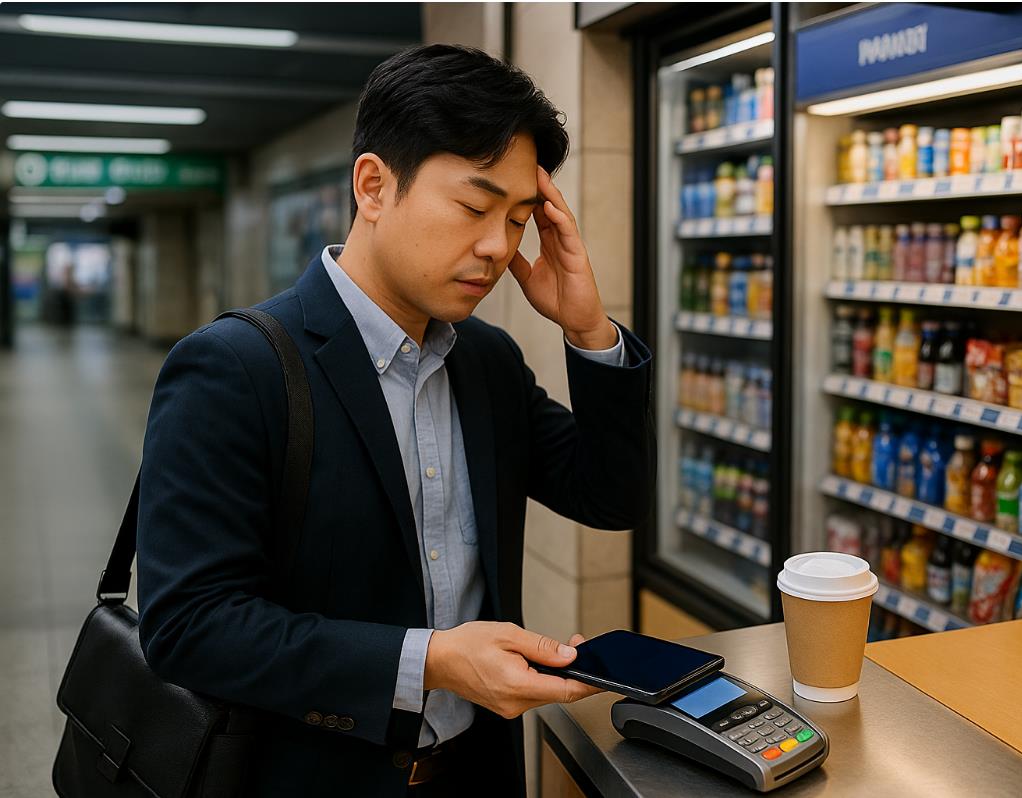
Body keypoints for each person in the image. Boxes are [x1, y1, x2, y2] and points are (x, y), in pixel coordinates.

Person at [135, 44, 653, 797]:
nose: (497, 247)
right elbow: (189, 626)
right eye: (474, 207)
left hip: (478, 774)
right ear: (373, 186)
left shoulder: (486, 361)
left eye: (518, 220)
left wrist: (589, 329)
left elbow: (611, 497)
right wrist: (432, 661)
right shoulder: (234, 368)